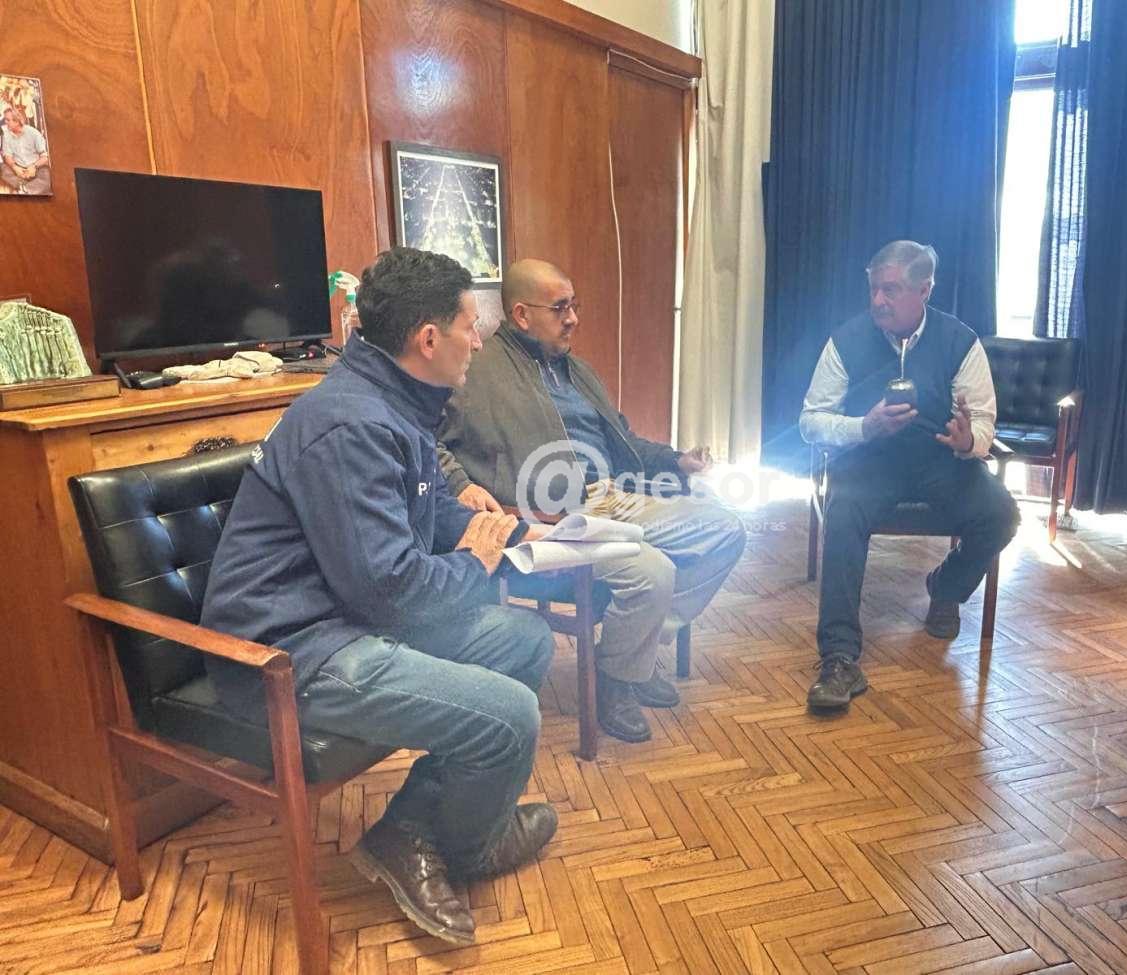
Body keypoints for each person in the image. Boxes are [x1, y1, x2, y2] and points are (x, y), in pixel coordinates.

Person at [200, 248, 558, 947]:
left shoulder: (393, 401)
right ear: (428, 339)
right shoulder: (353, 424)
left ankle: (418, 830)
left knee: (525, 641)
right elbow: (392, 592)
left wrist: (515, 534)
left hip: (343, 616)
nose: (478, 340)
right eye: (469, 326)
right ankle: (467, 843)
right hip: (289, 652)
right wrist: (480, 563)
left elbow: (428, 515)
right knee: (510, 717)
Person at [437, 258, 747, 744]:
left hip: (613, 497)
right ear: (522, 315)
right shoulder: (476, 371)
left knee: (726, 528)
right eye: (561, 308)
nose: (573, 319)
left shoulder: (577, 372)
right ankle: (619, 678)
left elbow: (624, 441)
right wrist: (460, 483)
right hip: (548, 518)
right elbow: (424, 440)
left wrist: (676, 461)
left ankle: (629, 654)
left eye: (574, 306)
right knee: (652, 572)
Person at [800, 240, 1019, 711]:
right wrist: (864, 426)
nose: (879, 300)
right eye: (874, 289)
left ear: (924, 290)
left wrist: (968, 441)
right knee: (843, 513)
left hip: (940, 460)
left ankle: (946, 588)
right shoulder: (845, 340)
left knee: (1001, 513)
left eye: (891, 290)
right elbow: (811, 421)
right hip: (868, 460)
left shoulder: (959, 341)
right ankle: (839, 659)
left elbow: (983, 422)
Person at [1, 106, 51, 195]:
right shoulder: (6, 135)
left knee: (46, 175)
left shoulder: (33, 133)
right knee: (3, 170)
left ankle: (24, 189)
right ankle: (29, 188)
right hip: (18, 167)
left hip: (36, 167)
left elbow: (45, 157)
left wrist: (34, 167)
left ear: (17, 121)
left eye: (8, 120)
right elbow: (7, 156)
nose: (5, 122)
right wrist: (15, 167)